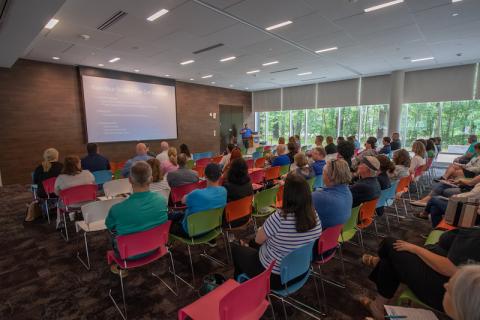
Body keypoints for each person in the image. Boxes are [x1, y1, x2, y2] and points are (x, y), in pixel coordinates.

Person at [360, 227, 480, 319]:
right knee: (390, 260)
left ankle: (378, 263)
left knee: (389, 244)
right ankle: (378, 307)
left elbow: (449, 268)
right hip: (443, 277)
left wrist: (416, 249)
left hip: (442, 285)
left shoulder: (477, 237)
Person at [231, 173, 322, 290]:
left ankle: (240, 289)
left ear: (287, 194)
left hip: (275, 278)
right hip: (301, 271)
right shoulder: (314, 215)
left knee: (237, 249)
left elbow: (257, 240)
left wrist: (259, 233)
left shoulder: (279, 218)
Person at [106, 161, 168, 270]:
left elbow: (110, 227)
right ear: (151, 179)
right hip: (157, 246)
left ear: (129, 180)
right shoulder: (162, 200)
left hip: (128, 255)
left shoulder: (116, 209)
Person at [169, 163, 227, 237]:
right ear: (220, 175)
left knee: (170, 222)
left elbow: (183, 200)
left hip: (191, 231)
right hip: (212, 228)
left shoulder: (196, 194)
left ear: (205, 175)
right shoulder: (224, 191)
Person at [414, 181, 480, 227]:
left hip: (471, 214)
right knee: (435, 207)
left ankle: (425, 214)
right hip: (469, 208)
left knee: (434, 199)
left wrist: (456, 196)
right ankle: (437, 229)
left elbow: (473, 195)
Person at [54, 155, 95, 228]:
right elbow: (93, 186)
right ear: (78, 164)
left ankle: (60, 222)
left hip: (71, 205)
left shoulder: (60, 178)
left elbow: (57, 193)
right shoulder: (88, 173)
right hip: (89, 202)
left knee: (59, 201)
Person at [312, 159, 352, 229]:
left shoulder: (319, 197)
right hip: (333, 236)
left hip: (316, 237)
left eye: (323, 172)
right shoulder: (347, 191)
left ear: (329, 176)